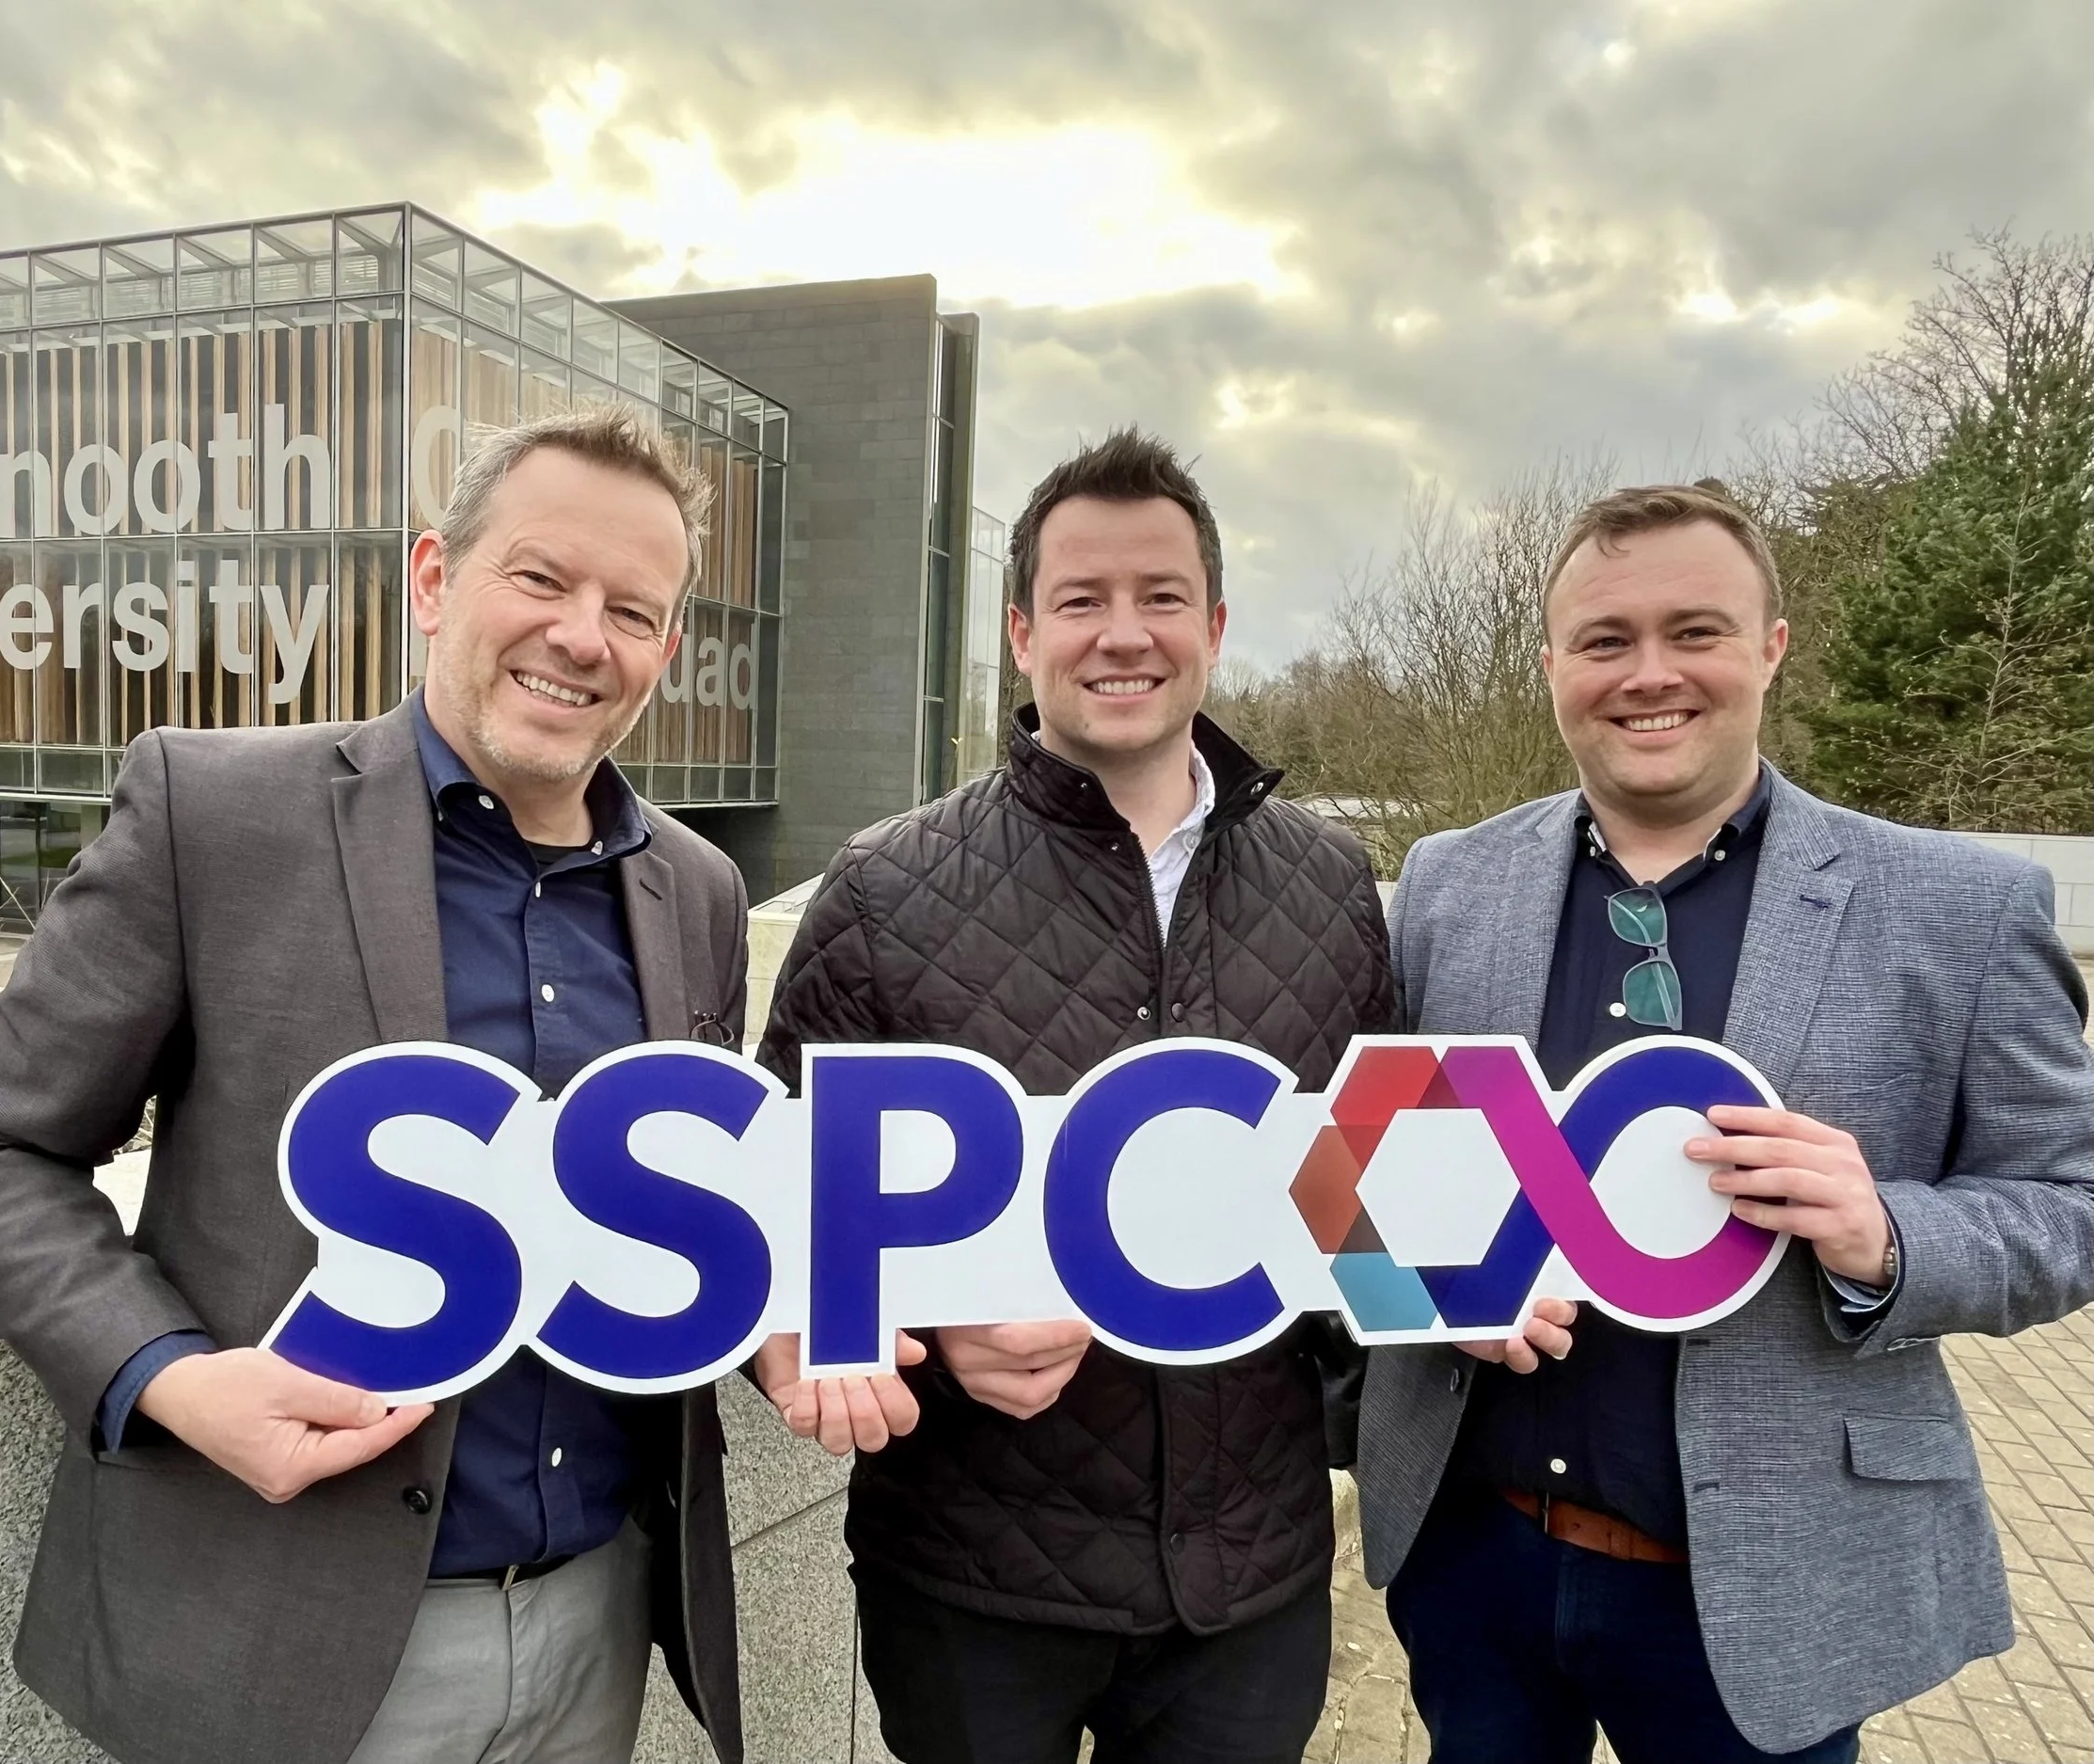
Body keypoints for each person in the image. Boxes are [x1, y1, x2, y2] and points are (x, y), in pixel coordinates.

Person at [0, 406, 749, 1764]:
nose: (583, 636)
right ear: (434, 579)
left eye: (634, 610)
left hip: (602, 1614)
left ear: (664, 647)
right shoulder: (215, 810)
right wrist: (172, 1378)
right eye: (539, 578)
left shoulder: (697, 891)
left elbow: (690, 1224)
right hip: (285, 1628)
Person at [1356, 482, 2094, 1763]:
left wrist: (1891, 1235)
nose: (1650, 674)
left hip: (1767, 1582)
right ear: (1551, 667)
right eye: (1605, 640)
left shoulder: (1959, 909)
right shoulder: (1447, 885)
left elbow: (2072, 1205)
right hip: (1472, 1550)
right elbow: (1372, 1167)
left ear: (1771, 646)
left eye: (1695, 630)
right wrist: (1425, 1282)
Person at [753, 428, 1394, 1764]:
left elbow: (1359, 1206)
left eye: (1161, 596)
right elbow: (770, 1222)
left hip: (1247, 1585)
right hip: (972, 1587)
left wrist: (1483, 1280)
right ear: (1020, 629)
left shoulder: (1334, 889)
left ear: (1214, 625)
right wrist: (916, 1318)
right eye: (1083, 599)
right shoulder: (880, 890)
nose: (1124, 634)